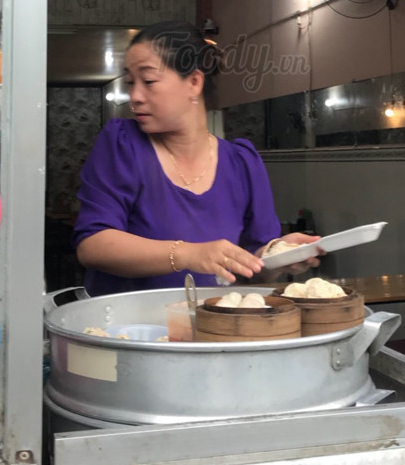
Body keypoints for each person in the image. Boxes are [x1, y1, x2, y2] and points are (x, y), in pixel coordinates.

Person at [72, 21, 320, 296]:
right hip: (128, 321)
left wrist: (280, 255)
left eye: (149, 81)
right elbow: (93, 246)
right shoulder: (123, 144)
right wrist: (187, 254)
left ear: (193, 82)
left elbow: (256, 265)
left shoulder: (241, 163)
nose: (135, 96)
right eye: (131, 83)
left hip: (210, 319)